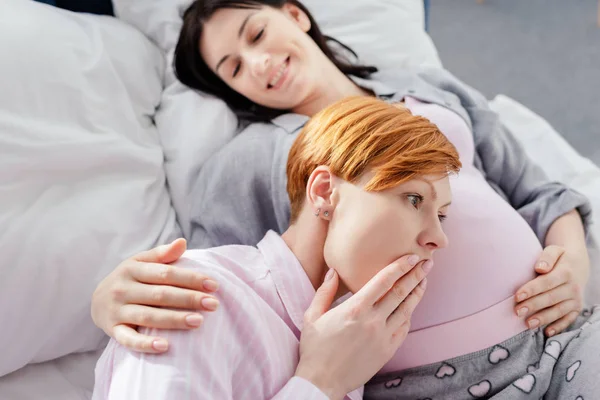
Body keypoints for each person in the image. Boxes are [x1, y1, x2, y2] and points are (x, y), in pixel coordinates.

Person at [91, 0, 599, 398]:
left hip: (559, 331)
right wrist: (114, 300)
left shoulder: (426, 88)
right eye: (234, 67)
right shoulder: (252, 159)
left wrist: (574, 263)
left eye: (257, 34)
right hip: (433, 383)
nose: (259, 62)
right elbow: (226, 284)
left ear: (295, 15)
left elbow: (539, 191)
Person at [92, 96, 461, 399]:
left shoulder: (354, 344)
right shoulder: (196, 293)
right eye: (414, 199)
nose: (438, 239)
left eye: (441, 216)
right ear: (323, 192)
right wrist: (320, 384)